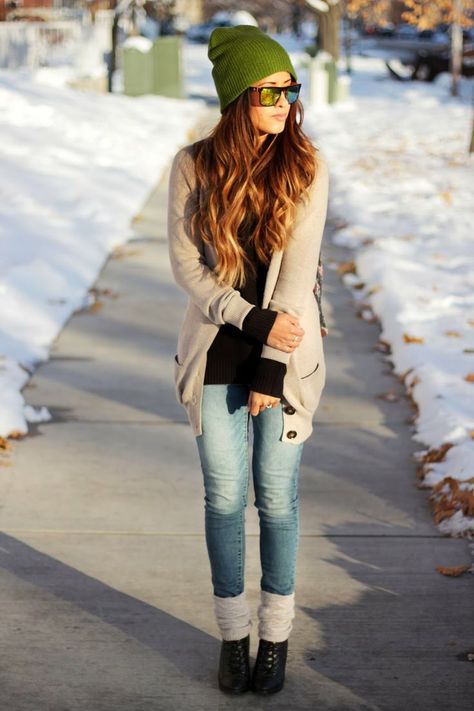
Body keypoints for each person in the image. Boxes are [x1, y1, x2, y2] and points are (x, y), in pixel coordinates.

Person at [167, 25, 329, 696]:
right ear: (240, 98)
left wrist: (269, 365)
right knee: (226, 496)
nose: (285, 101)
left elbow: (297, 276)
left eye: (291, 89)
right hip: (215, 349)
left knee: (275, 497)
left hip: (282, 358)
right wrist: (245, 318)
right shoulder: (193, 165)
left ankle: (277, 638)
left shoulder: (307, 165)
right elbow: (186, 266)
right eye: (271, 90)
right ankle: (234, 636)